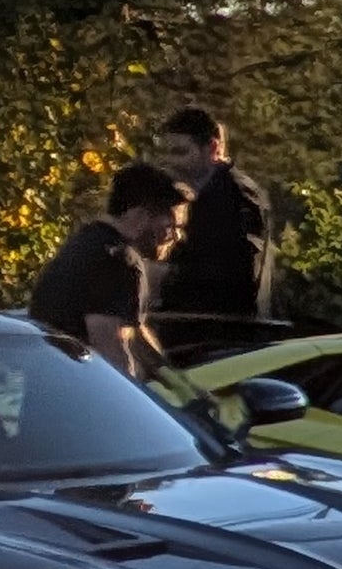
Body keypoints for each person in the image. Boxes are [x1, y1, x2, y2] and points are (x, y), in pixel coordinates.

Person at [29, 163, 184, 380]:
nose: (175, 238)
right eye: (171, 227)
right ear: (141, 215)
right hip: (81, 402)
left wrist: (180, 384)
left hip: (47, 394)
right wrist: (132, 404)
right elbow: (110, 349)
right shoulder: (117, 260)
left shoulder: (85, 245)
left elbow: (135, 335)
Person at [150, 104, 274, 365]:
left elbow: (239, 275)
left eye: (182, 152)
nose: (172, 162)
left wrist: (166, 276)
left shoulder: (235, 197)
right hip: (197, 337)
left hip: (219, 343)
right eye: (169, 152)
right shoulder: (200, 197)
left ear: (213, 148)